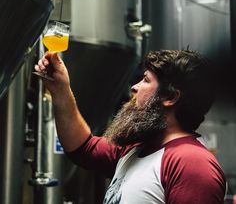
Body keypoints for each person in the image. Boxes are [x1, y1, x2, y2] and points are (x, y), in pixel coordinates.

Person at [35, 49, 226, 204]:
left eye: (146, 80)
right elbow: (83, 148)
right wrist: (61, 90)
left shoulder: (191, 163)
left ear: (170, 97)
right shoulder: (136, 150)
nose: (134, 87)